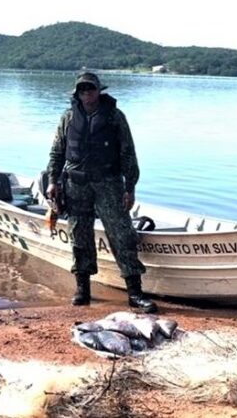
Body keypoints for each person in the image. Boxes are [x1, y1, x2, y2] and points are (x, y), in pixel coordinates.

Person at [46, 71, 157, 313]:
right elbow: (56, 152)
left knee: (122, 235)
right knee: (79, 236)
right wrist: (53, 181)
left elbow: (128, 153)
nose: (86, 92)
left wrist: (130, 187)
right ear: (77, 93)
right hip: (76, 186)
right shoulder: (67, 118)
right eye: (82, 89)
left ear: (99, 90)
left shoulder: (115, 117)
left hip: (109, 184)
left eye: (90, 88)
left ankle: (135, 293)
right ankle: (83, 290)